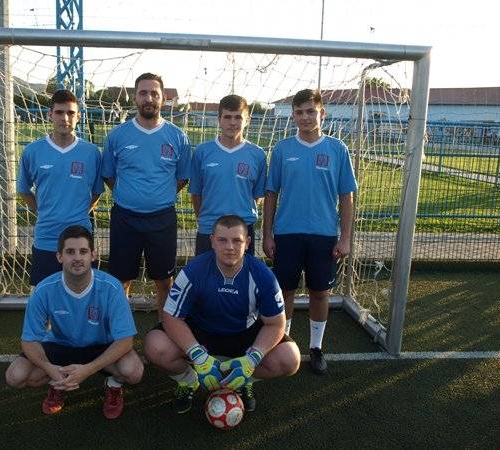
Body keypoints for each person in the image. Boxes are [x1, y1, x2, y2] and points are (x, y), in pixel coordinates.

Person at [143, 215, 300, 414]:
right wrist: (197, 354)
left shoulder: (263, 276)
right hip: (201, 331)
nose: (229, 247)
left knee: (289, 359)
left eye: (237, 241)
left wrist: (253, 358)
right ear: (212, 241)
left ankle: (243, 380)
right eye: (222, 240)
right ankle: (189, 380)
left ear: (247, 243)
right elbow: (171, 316)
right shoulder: (193, 271)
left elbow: (276, 323)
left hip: (243, 333)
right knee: (154, 346)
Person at [263, 89, 357, 375]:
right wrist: (267, 234)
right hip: (287, 234)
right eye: (299, 112)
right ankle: (283, 341)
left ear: (322, 113)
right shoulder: (282, 149)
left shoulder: (338, 149)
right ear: (293, 115)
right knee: (285, 292)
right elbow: (271, 193)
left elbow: (346, 196)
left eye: (310, 111)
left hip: (323, 235)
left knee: (319, 293)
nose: (305, 117)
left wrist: (345, 237)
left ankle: (316, 347)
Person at [5, 225, 143, 419]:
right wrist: (50, 369)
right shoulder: (44, 290)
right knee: (16, 376)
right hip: (61, 345)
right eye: (70, 252)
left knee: (134, 372)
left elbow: (125, 341)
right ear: (59, 257)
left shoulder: (112, 287)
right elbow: (29, 340)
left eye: (83, 251)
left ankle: (113, 385)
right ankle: (58, 383)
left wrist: (87, 370)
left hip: (101, 346)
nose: (77, 257)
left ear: (93, 255)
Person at [102, 73, 191, 317]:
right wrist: (129, 194)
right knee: (121, 281)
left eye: (154, 93)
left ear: (163, 97)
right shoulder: (117, 135)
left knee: (164, 281)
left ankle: (164, 328)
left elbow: (182, 177)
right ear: (135, 97)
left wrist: (159, 195)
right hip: (125, 218)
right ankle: (121, 330)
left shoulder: (178, 137)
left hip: (162, 219)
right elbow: (108, 175)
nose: (149, 98)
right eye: (143, 93)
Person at [17, 89, 103, 286]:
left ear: (78, 117)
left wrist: (78, 212)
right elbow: (23, 190)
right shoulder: (32, 151)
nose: (65, 118)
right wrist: (43, 211)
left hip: (80, 238)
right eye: (59, 112)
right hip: (47, 236)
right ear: (50, 115)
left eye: (71, 113)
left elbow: (97, 192)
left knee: (83, 291)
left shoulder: (91, 153)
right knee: (42, 292)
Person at [189, 95, 266, 256]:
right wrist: (207, 219)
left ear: (247, 120)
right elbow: (196, 194)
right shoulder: (202, 152)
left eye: (238, 117)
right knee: (205, 271)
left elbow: (257, 196)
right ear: (219, 119)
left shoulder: (258, 154)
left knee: (242, 272)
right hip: (209, 229)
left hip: (243, 231)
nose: (232, 122)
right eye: (227, 117)